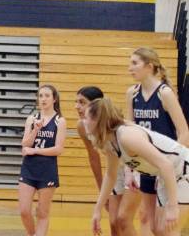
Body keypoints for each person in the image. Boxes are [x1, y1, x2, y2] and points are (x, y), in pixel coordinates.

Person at [87, 98, 186, 236]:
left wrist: (173, 206)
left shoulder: (126, 136)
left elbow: (166, 164)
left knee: (168, 229)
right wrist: (97, 210)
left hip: (183, 169)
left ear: (97, 119)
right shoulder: (110, 142)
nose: (84, 121)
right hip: (167, 175)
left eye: (87, 117)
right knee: (159, 230)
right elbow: (111, 175)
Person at [121, 48, 189, 236]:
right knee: (150, 223)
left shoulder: (164, 93)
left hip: (168, 165)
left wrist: (169, 165)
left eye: (134, 63)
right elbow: (129, 133)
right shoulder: (132, 94)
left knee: (165, 227)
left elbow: (184, 132)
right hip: (148, 165)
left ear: (149, 66)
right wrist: (129, 170)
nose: (130, 68)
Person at [18, 85, 66, 236]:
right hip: (29, 168)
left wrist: (35, 150)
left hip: (47, 170)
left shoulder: (60, 121)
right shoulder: (31, 119)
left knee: (42, 213)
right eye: (41, 96)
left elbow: (58, 149)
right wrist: (36, 130)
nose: (43, 99)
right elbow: (25, 144)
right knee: (24, 210)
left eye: (47, 96)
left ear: (54, 99)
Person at [76, 86, 125, 235]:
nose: (76, 106)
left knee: (123, 220)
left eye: (82, 102)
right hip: (114, 171)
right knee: (113, 221)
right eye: (76, 101)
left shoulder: (112, 124)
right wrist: (101, 191)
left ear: (95, 105)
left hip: (132, 169)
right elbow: (93, 157)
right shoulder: (82, 126)